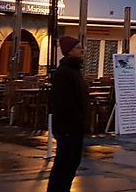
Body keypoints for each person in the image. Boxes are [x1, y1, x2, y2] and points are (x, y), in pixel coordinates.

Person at [47, 36, 88, 192]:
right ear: (69, 51)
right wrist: (73, 123)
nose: (82, 50)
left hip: (75, 127)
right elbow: (63, 102)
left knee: (72, 162)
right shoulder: (64, 73)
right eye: (78, 47)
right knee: (64, 162)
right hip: (68, 127)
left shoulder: (75, 70)